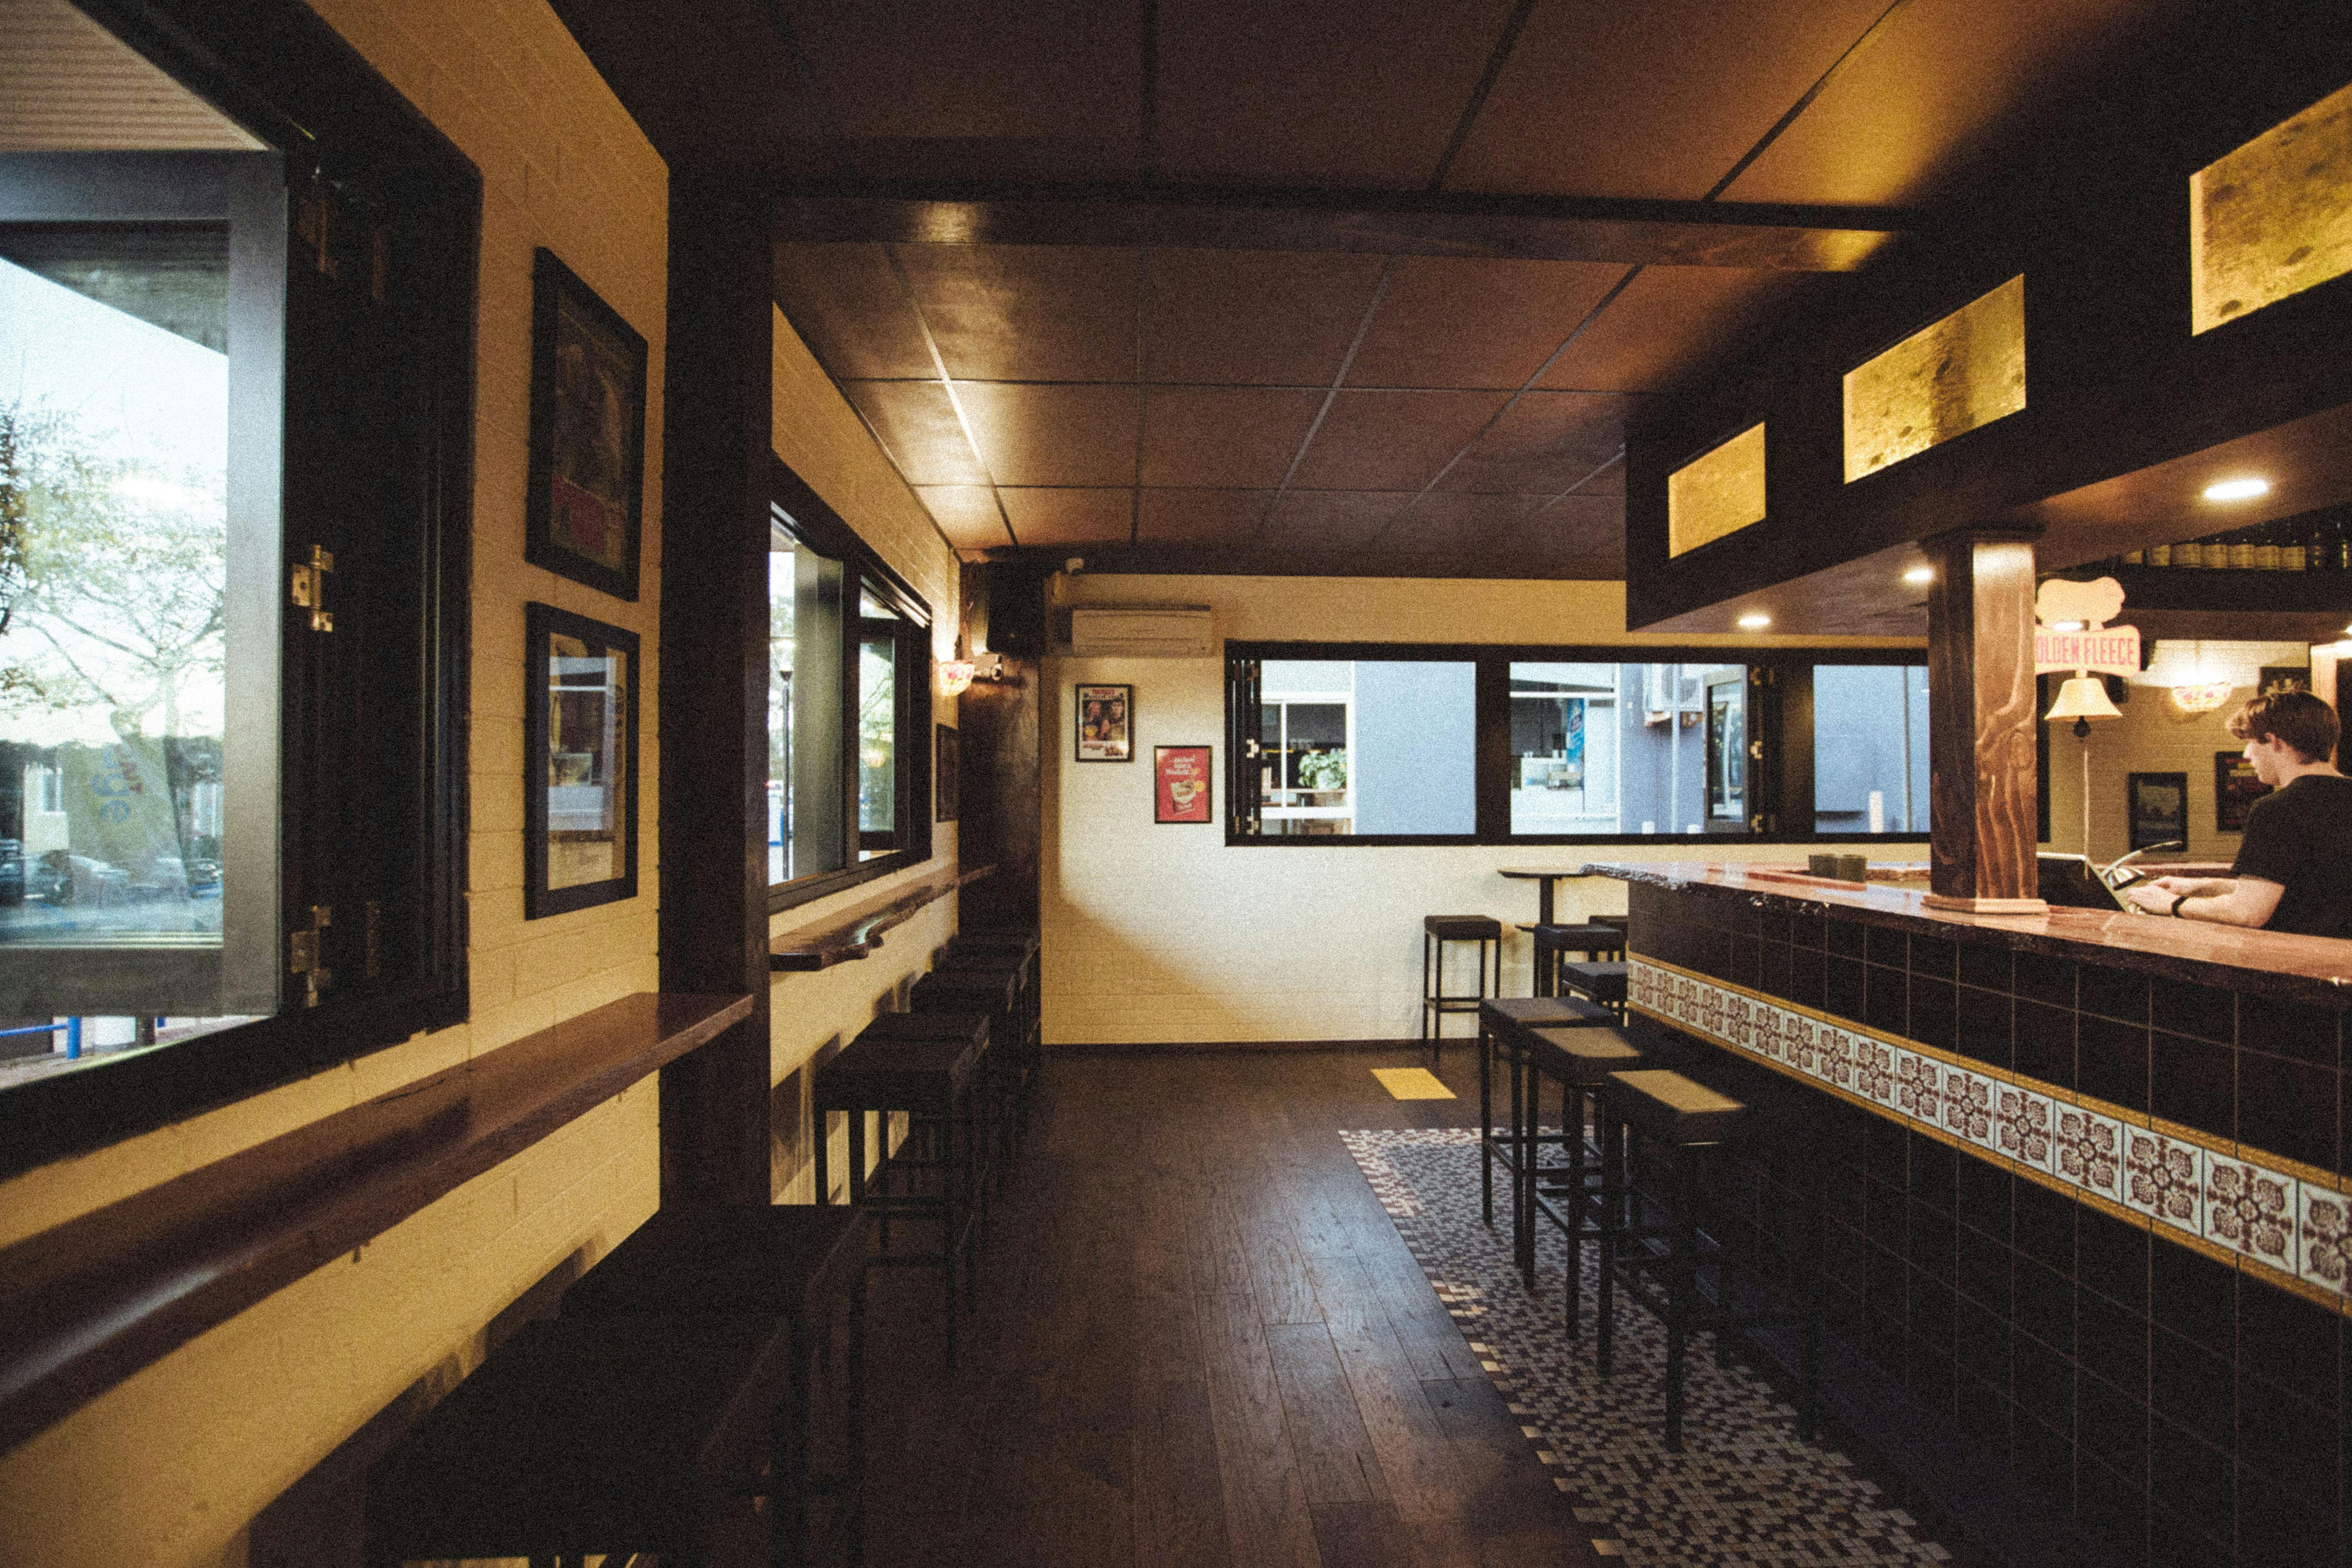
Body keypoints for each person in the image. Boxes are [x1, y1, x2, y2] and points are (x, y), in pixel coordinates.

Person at [2123, 689, 2352, 936]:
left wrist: (2170, 904)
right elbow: (2308, 894)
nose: (2247, 755)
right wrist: (2199, 886)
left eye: (2250, 743)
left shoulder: (2277, 809)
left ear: (2275, 742)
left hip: (2302, 965)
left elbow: (2247, 912)